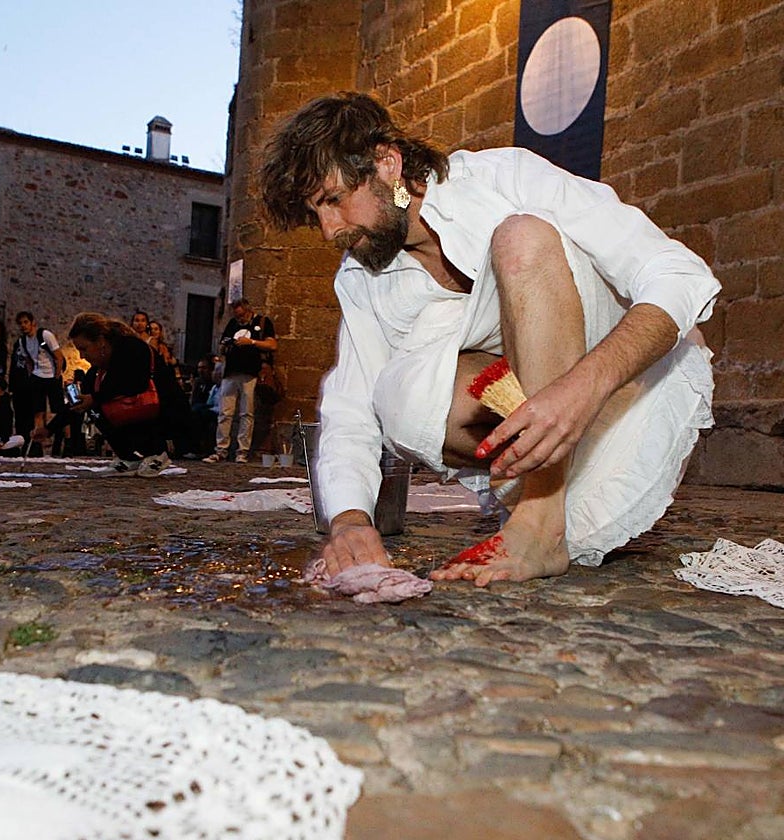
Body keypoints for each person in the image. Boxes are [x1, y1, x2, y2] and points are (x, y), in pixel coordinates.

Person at [259, 91, 720, 586]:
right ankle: (536, 503)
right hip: (532, 446)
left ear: (387, 164)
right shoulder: (361, 276)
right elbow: (351, 409)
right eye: (316, 214)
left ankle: (541, 520)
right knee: (396, 394)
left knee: (521, 238)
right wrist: (350, 521)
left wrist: (586, 385)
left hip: (625, 396)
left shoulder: (504, 178)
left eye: (333, 201)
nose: (330, 230)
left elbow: (680, 273)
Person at [52, 311, 169, 477]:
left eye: (84, 349)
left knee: (101, 403)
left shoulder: (131, 348)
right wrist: (48, 429)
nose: (82, 356)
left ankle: (157, 452)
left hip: (159, 406)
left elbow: (135, 383)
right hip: (138, 408)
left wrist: (95, 398)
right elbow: (80, 403)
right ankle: (128, 456)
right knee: (95, 408)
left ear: (100, 342)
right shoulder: (97, 370)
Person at [203, 298, 277, 464]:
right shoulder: (232, 324)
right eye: (237, 316)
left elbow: (272, 345)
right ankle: (221, 449)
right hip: (230, 372)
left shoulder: (261, 322)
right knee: (225, 413)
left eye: (242, 316)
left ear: (248, 311)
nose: (240, 319)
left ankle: (242, 451)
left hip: (250, 373)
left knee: (247, 413)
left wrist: (251, 342)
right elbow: (223, 344)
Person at [10, 311, 65, 455]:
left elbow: (59, 356)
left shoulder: (45, 335)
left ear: (32, 322)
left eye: (25, 322)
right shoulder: (23, 341)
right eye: (20, 323)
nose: (23, 326)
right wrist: (31, 375)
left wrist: (57, 376)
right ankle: (37, 446)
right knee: (38, 411)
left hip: (51, 376)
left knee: (58, 410)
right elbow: (28, 359)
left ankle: (63, 444)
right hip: (37, 377)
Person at [147, 319, 196, 457]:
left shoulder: (164, 347)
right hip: (158, 383)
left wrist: (178, 377)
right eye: (152, 329)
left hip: (168, 382)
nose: (154, 331)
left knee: (179, 410)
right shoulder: (149, 345)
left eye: (157, 329)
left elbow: (172, 365)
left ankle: (183, 446)